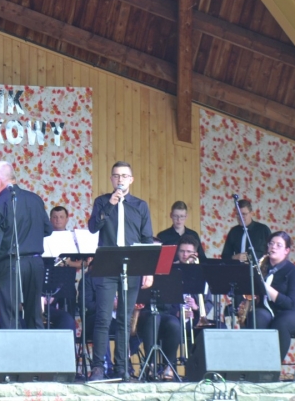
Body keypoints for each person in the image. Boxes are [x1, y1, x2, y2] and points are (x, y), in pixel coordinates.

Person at [88, 161, 154, 381]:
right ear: (111, 179)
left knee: (125, 319)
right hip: (107, 264)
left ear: (131, 180)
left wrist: (148, 270)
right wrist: (110, 205)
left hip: (132, 265)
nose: (120, 179)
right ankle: (98, 367)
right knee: (103, 317)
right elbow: (93, 227)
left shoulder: (140, 206)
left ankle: (122, 367)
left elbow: (147, 239)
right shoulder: (102, 202)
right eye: (116, 176)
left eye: (124, 176)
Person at [0, 160, 52, 330]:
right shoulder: (35, 199)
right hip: (35, 263)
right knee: (35, 315)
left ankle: (14, 349)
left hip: (9, 265)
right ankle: (37, 348)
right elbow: (47, 229)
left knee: (10, 318)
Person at [137, 234, 210, 380]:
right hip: (155, 312)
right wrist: (177, 312)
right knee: (161, 320)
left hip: (183, 316)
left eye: (188, 252)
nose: (185, 255)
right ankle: (151, 365)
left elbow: (208, 301)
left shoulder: (197, 271)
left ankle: (169, 367)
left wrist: (195, 308)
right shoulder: (161, 268)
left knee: (174, 324)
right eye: (182, 251)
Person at [245, 231, 295, 359]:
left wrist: (267, 288)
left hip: (292, 314)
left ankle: (274, 365)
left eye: (279, 245)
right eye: (271, 243)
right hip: (268, 311)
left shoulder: (293, 272)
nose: (273, 247)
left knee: (281, 323)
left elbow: (291, 304)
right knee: (256, 317)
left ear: (286, 251)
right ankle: (255, 362)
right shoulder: (261, 268)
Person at [220, 199, 272, 264]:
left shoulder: (263, 230)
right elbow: (225, 255)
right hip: (238, 268)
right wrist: (234, 257)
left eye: (244, 214)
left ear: (251, 214)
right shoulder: (233, 232)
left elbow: (270, 252)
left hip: (259, 268)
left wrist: (250, 257)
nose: (241, 217)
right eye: (238, 214)